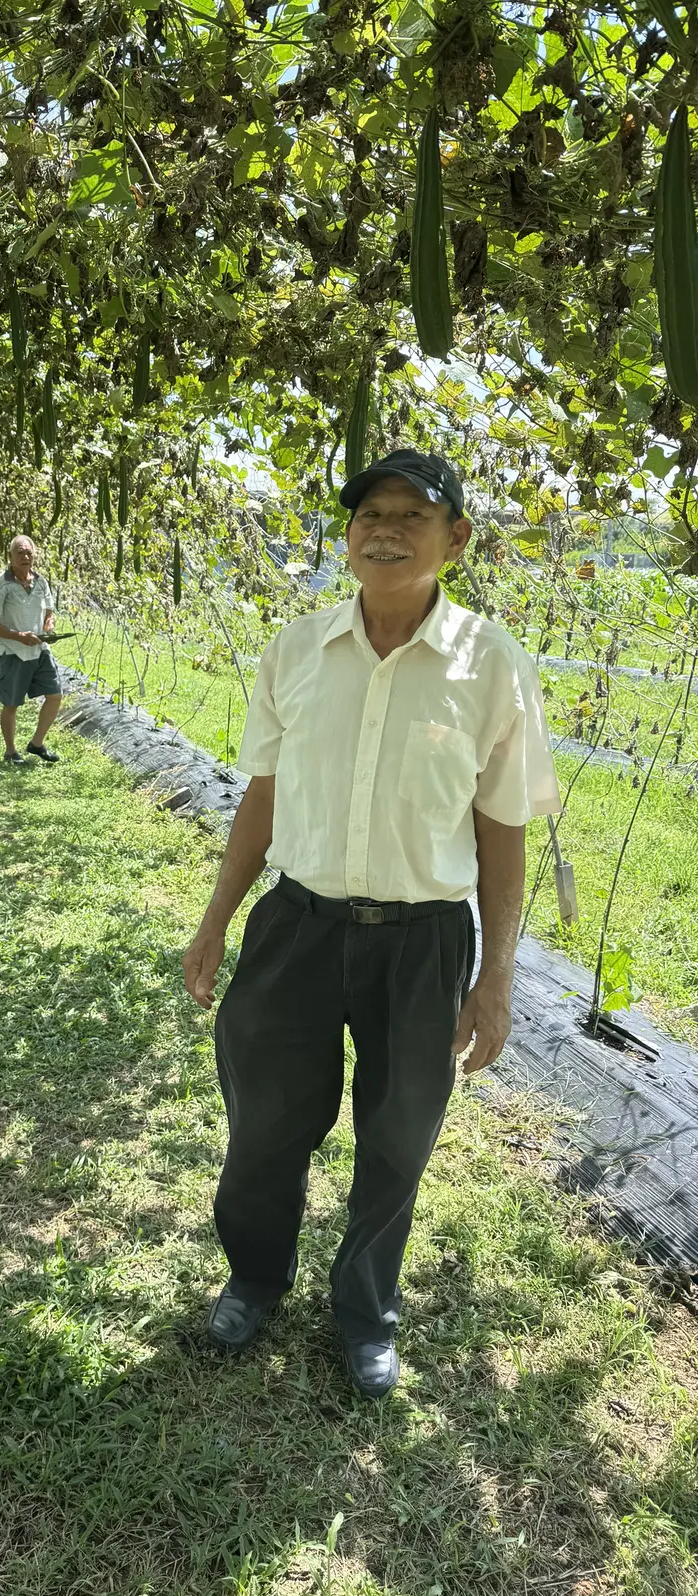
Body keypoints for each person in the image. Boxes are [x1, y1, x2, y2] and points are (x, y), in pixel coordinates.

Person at [182, 449, 561, 1398]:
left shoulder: (491, 666)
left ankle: (365, 1313)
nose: (384, 529)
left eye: (411, 515)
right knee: (266, 1120)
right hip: (296, 929)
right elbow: (260, 802)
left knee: (398, 1139)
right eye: (367, 515)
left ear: (457, 538)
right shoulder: (297, 649)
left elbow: (502, 830)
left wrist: (497, 976)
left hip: (424, 943)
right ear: (347, 536)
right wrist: (215, 921)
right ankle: (256, 1277)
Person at [0, 534, 63, 764]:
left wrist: (49, 625)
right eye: (20, 552)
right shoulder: (1, 586)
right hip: (12, 651)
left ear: (34, 556)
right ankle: (10, 751)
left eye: (29, 552)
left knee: (55, 695)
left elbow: (49, 611)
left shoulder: (41, 582)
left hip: (39, 649)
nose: (25, 556)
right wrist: (19, 636)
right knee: (11, 703)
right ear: (10, 556)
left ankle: (36, 744)